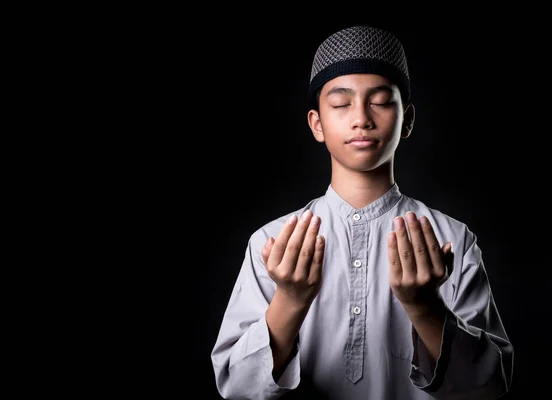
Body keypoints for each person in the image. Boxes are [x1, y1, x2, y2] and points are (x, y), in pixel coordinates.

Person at [210, 25, 514, 399]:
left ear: (408, 119)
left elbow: (489, 389)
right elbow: (235, 388)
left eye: (382, 101)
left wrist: (425, 307)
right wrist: (288, 300)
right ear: (317, 124)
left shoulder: (452, 240)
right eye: (341, 103)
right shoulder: (273, 243)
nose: (361, 119)